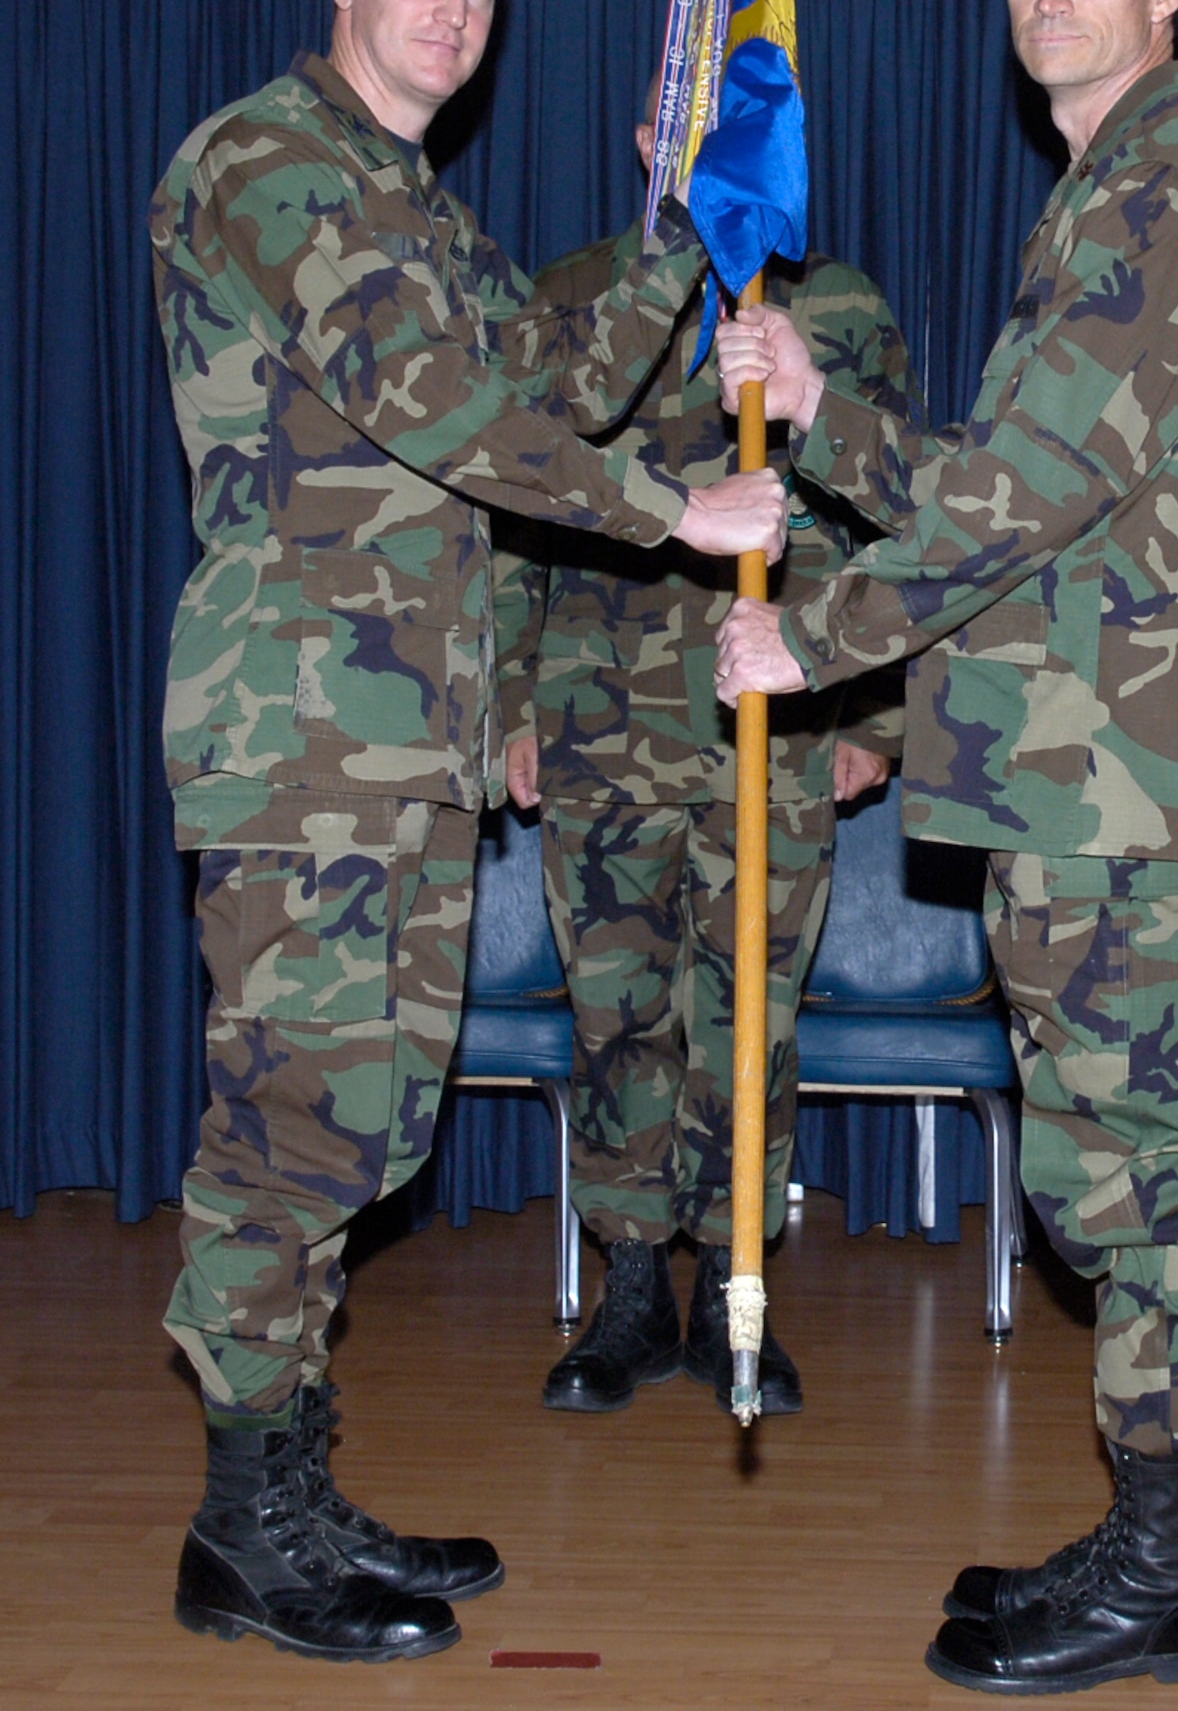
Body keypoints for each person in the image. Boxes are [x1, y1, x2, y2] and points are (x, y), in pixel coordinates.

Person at [149, 0, 786, 1664]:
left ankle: (288, 1485)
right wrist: (678, 512)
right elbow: (443, 410)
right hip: (300, 738)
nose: (456, 11)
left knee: (363, 1131)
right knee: (292, 1133)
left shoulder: (406, 202)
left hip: (401, 741)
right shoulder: (271, 165)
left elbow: (550, 373)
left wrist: (676, 228)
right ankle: (242, 1529)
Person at [715, 0, 1178, 1694]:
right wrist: (827, 416)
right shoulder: (1113, 195)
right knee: (1108, 1179)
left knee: (1138, 1186)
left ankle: (1167, 1575)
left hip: (1126, 784)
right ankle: (1151, 1539)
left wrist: (816, 640)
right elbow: (1025, 482)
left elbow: (1029, 489)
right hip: (1086, 777)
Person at [494, 83, 913, 1417]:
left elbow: (889, 523)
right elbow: (509, 512)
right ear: (642, 140)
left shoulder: (835, 311)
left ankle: (740, 1284)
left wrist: (877, 718)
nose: (701, 157)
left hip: (773, 728)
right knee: (616, 1016)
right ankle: (628, 1291)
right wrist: (506, 703)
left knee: (752, 1020)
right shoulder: (572, 296)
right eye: (678, 130)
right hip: (598, 721)